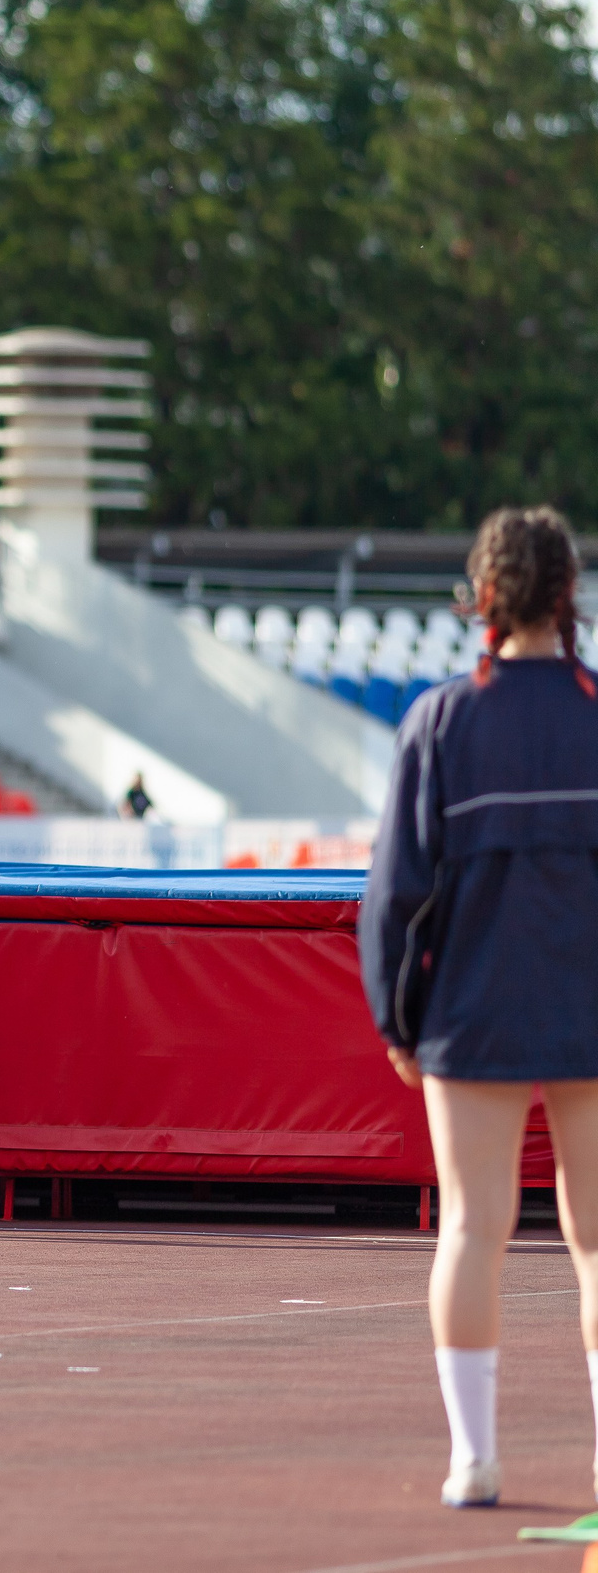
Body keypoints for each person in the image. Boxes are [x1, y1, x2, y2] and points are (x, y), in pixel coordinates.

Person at [361, 505, 598, 1510]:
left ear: (485, 597)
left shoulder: (442, 721)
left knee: (472, 1228)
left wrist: (396, 1023)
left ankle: (474, 1458)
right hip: (588, 1008)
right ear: (565, 594)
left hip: (473, 1009)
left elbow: (394, 896)